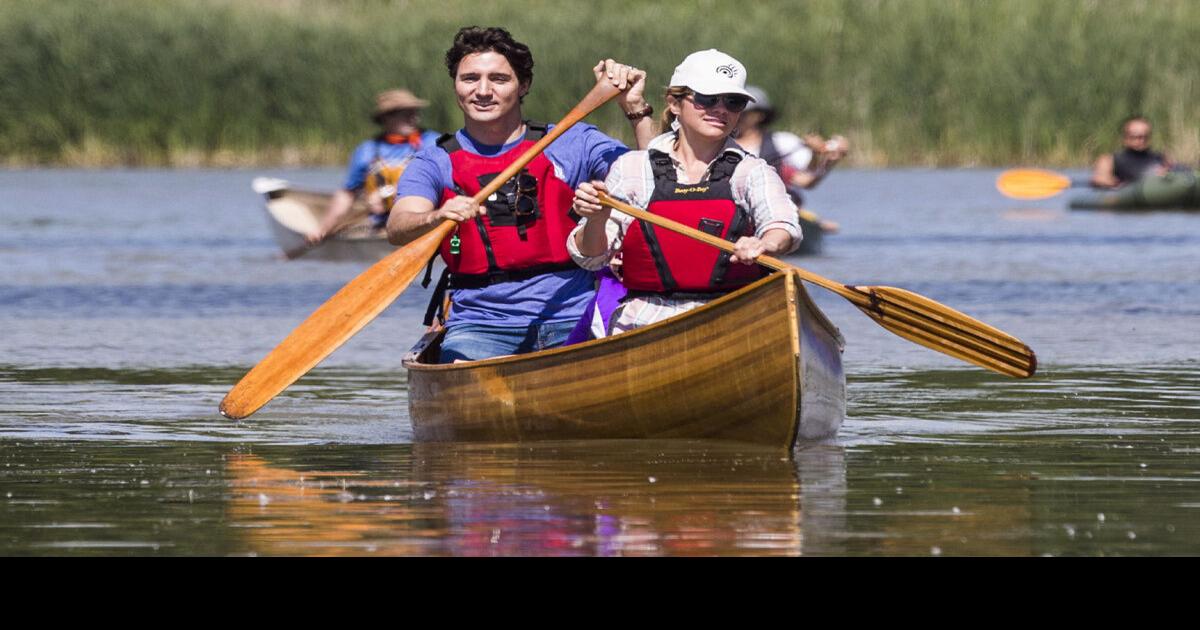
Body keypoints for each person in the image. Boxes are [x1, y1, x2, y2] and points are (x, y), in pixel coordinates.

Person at [387, 26, 655, 362]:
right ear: (455, 84)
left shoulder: (573, 141)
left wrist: (635, 109)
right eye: (470, 78)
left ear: (523, 85)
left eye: (498, 79)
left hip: (574, 315)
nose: (482, 90)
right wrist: (437, 215)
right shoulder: (435, 160)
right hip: (480, 325)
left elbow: (654, 181)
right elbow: (398, 227)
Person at [568, 49, 803, 336]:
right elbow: (590, 257)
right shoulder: (632, 168)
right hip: (644, 323)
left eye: (733, 102)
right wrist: (596, 219)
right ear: (674, 103)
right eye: (707, 99)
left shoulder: (752, 171)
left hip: (734, 319)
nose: (721, 109)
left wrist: (764, 244)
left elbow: (783, 226)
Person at [307, 89, 443, 242]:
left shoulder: (434, 142)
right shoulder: (367, 151)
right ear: (386, 118)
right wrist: (323, 229)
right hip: (381, 223)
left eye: (415, 112)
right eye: (406, 114)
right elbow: (347, 195)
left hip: (425, 220)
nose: (414, 118)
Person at [1090, 116, 1172, 189]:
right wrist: (1121, 185)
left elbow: (1173, 177)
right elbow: (1100, 179)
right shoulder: (1109, 160)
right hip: (1127, 197)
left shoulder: (1160, 158)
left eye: (1145, 136)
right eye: (1137, 137)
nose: (1142, 140)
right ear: (1125, 138)